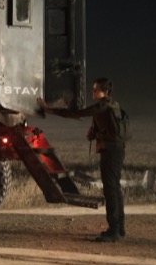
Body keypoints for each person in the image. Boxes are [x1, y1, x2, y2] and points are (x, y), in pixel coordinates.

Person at [38, 77, 127, 242]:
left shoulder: (103, 106)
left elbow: (76, 114)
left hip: (111, 151)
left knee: (110, 189)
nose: (93, 92)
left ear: (105, 92)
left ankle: (114, 231)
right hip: (116, 150)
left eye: (96, 90)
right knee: (114, 188)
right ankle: (119, 229)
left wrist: (48, 109)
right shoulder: (112, 106)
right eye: (93, 89)